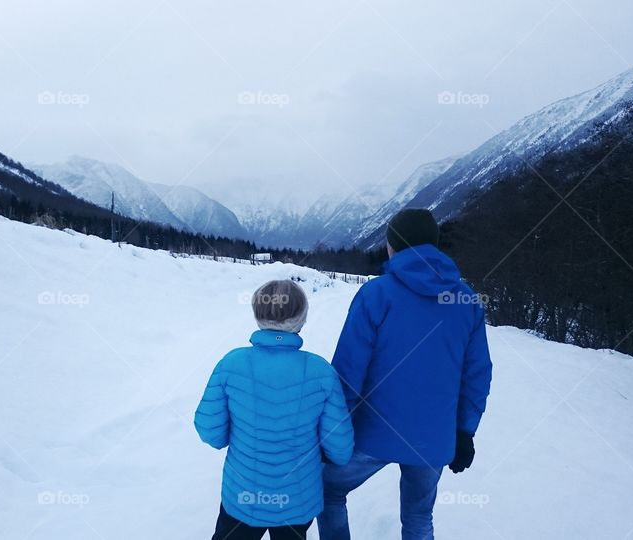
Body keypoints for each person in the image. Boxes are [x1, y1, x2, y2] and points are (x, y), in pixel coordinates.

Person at [318, 208, 493, 540]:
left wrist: (333, 429)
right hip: (435, 437)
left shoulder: (376, 294)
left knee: (326, 492)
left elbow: (348, 370)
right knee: (418, 516)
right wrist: (464, 431)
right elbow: (477, 374)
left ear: (392, 246)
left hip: (373, 433)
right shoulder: (467, 300)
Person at [195, 279, 355, 540]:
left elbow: (210, 432)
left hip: (242, 497)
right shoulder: (321, 371)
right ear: (301, 318)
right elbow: (340, 449)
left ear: (257, 315)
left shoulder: (231, 363)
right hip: (297, 501)